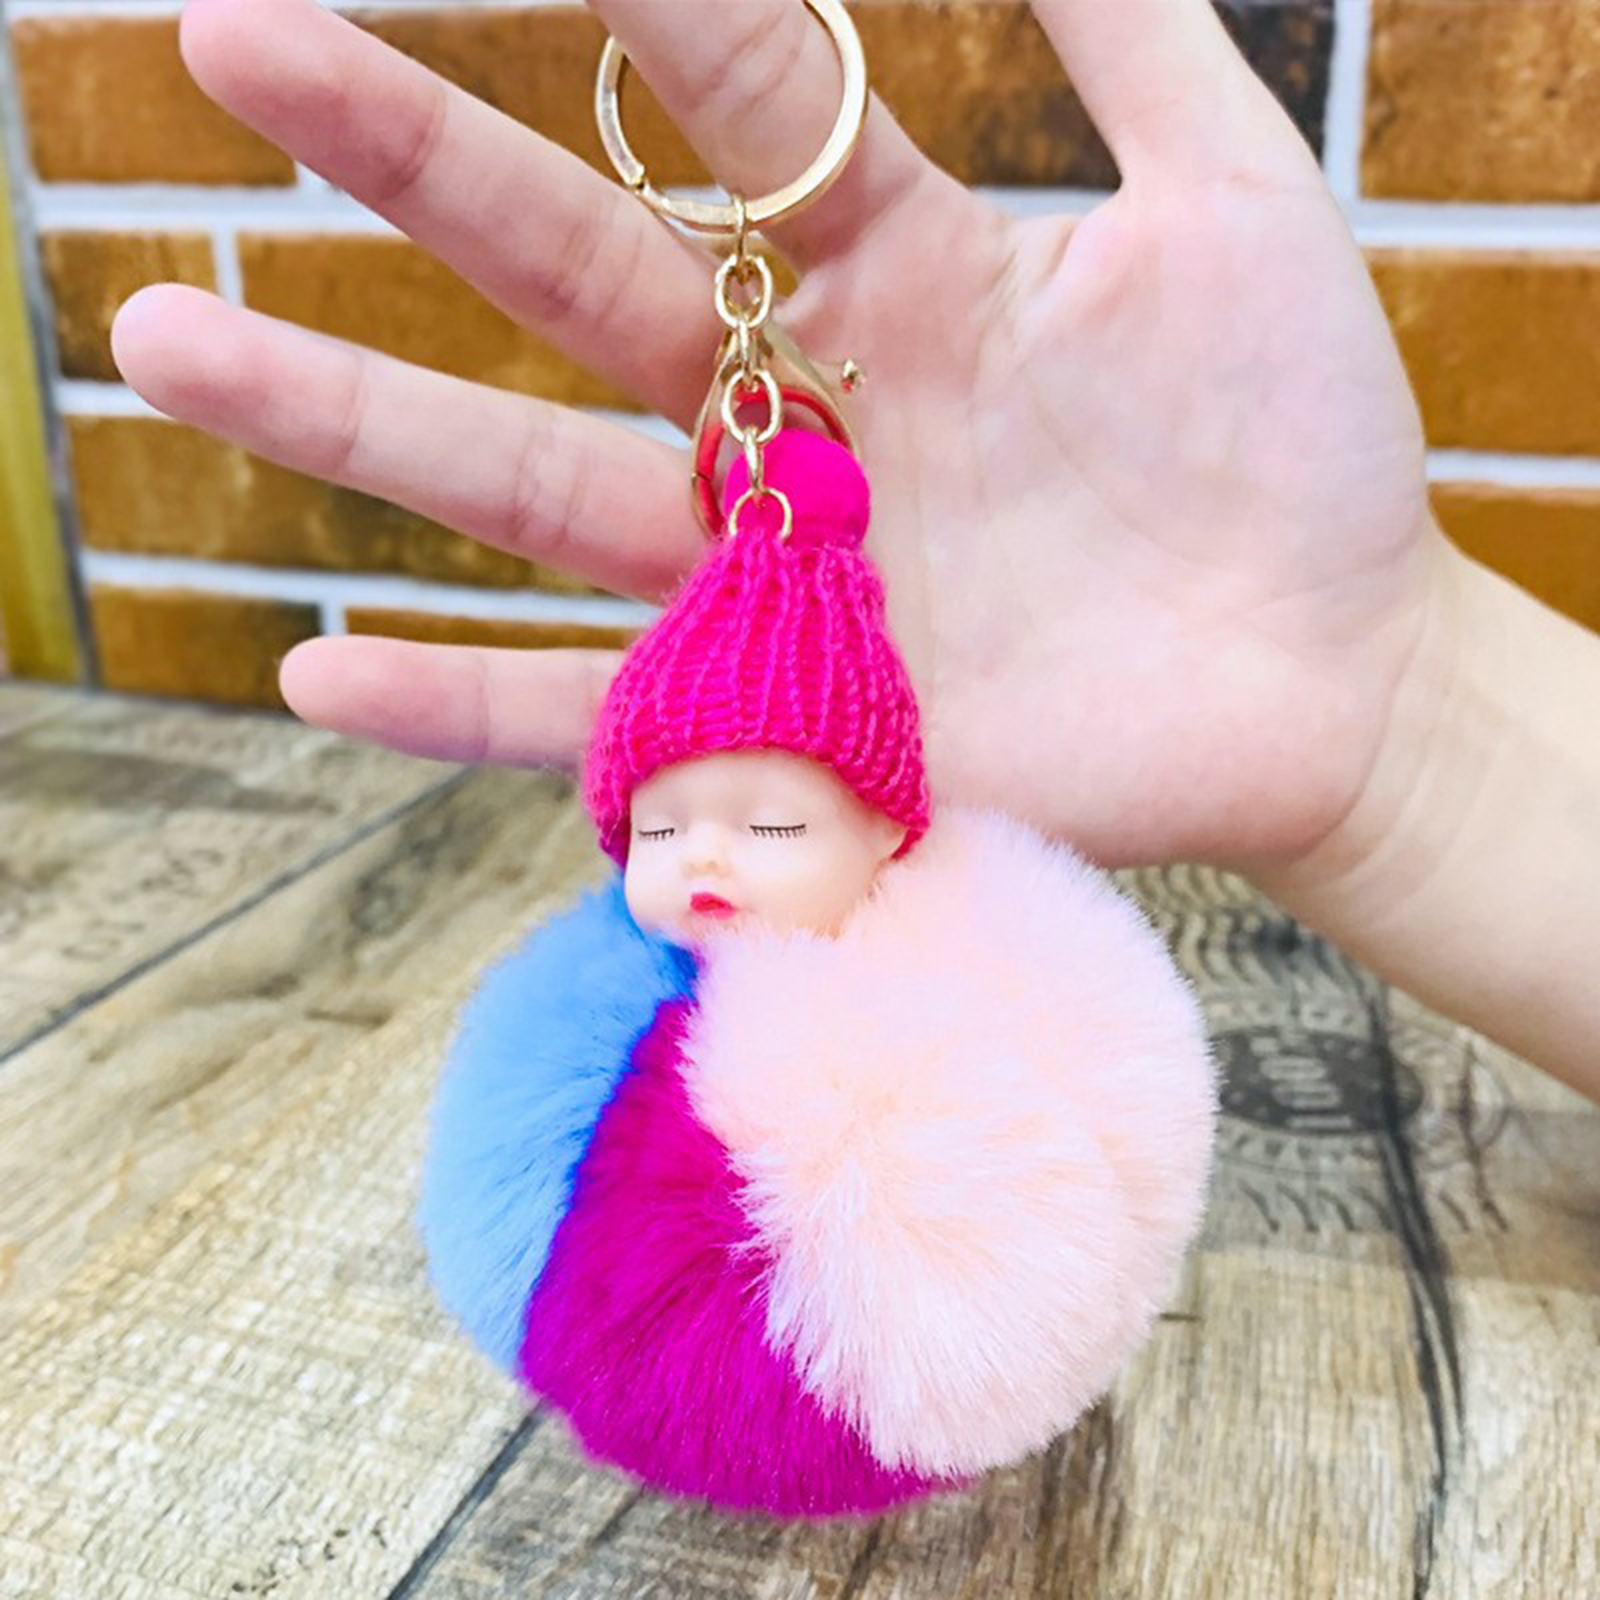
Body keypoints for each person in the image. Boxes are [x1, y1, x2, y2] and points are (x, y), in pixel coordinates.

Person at [110, 0, 1600, 1101]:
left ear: (892, 835)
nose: (703, 863)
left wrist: (1397, 695)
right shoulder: (609, 1043)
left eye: (769, 832)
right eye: (662, 834)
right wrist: (1399, 724)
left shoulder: (944, 1032)